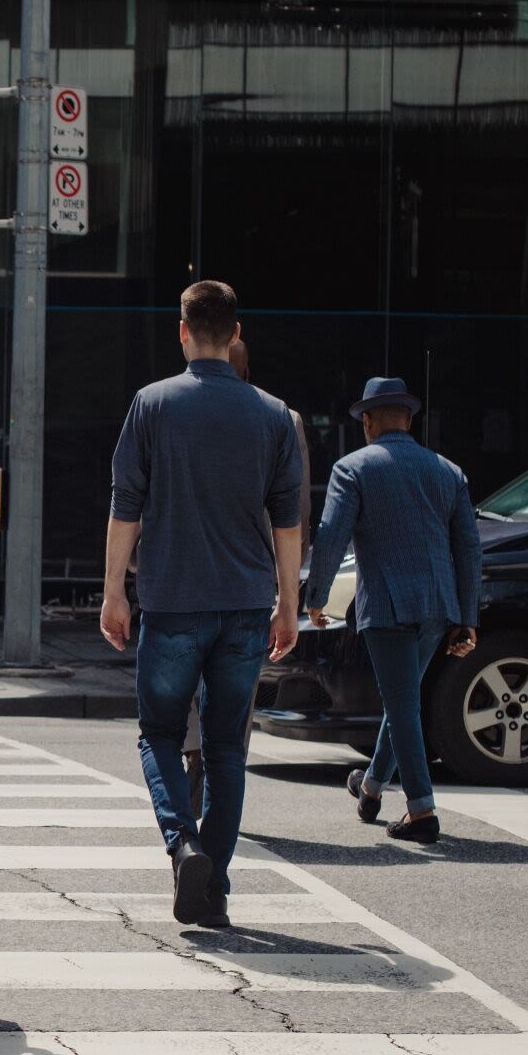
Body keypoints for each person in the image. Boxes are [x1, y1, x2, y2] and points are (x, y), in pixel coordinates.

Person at [101, 281, 303, 930]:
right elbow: (289, 523)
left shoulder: (152, 404)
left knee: (160, 732)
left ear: (182, 331)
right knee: (226, 749)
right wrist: (289, 605)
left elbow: (125, 504)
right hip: (247, 602)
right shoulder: (275, 415)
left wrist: (113, 592)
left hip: (171, 598)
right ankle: (211, 879)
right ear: (235, 333)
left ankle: (182, 843)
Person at [304, 377, 482, 843]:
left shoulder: (353, 468)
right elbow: (468, 548)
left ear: (367, 421)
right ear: (408, 419)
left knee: (402, 705)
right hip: (439, 607)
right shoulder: (448, 470)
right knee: (401, 700)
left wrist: (315, 596)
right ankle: (371, 787)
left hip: (385, 605)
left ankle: (422, 811)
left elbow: (331, 537)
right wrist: (467, 617)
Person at [182, 337, 314, 819]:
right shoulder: (283, 419)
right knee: (236, 690)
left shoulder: (175, 407)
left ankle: (195, 755)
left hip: (185, 575)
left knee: (182, 674)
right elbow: (293, 514)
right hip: (249, 580)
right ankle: (217, 780)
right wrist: (288, 594)